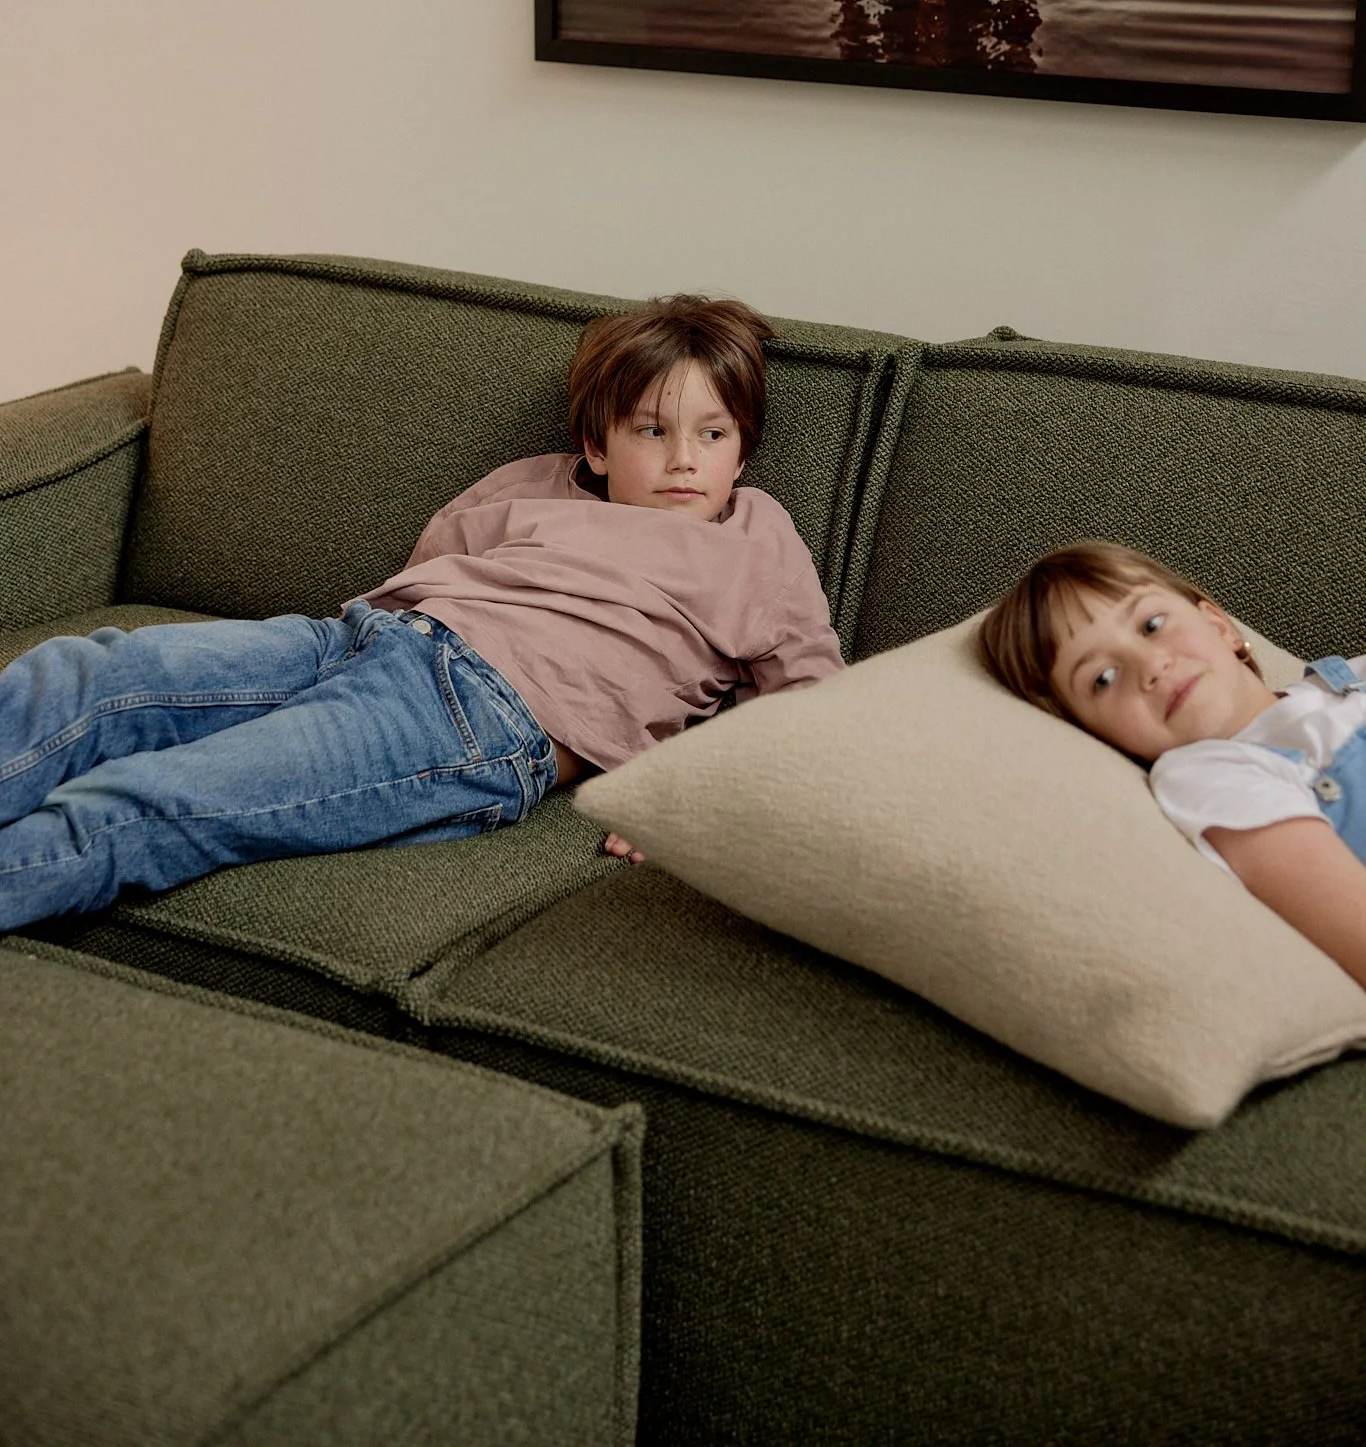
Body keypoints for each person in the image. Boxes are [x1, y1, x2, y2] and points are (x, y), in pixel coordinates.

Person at [0, 296, 844, 930]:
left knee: (151, 801)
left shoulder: (756, 538)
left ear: (743, 447)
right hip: (359, 639)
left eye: (715, 435)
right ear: (598, 444)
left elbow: (812, 701)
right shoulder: (529, 484)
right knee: (90, 671)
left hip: (480, 716)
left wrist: (699, 805)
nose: (683, 461)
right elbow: (428, 572)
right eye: (651, 432)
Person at [978, 541, 1366, 991]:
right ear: (1094, 735)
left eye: (1152, 624)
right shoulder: (1210, 777)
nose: (1151, 666)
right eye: (1102, 678)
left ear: (1219, 625)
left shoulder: (1349, 681)